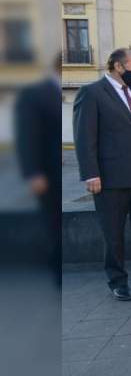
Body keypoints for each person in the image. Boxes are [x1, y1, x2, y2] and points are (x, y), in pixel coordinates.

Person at [73, 48, 131, 301]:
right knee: (113, 235)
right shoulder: (92, 93)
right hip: (111, 179)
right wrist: (90, 174)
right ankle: (118, 281)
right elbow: (85, 138)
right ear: (118, 66)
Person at [14, 54, 62, 285]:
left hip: (60, 171)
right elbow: (26, 136)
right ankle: (57, 274)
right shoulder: (35, 94)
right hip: (47, 175)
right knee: (53, 224)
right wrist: (33, 173)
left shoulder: (56, 92)